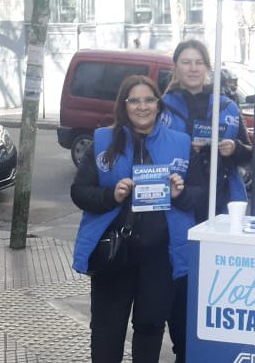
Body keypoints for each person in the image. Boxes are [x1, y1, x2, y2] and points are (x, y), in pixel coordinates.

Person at [71, 75, 197, 363]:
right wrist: (111, 196)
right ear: (124, 106)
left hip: (160, 256)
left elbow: (197, 197)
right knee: (106, 331)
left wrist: (181, 193)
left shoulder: (180, 142)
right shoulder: (103, 139)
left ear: (158, 104)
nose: (142, 107)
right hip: (115, 253)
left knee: (151, 327)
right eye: (134, 100)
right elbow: (79, 192)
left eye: (149, 100)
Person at [160, 39, 253, 362]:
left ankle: (217, 351)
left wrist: (233, 149)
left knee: (221, 285)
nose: (193, 68)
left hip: (221, 204)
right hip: (178, 206)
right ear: (176, 68)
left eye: (198, 62)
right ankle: (183, 352)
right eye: (186, 62)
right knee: (182, 285)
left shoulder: (226, 106)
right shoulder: (163, 106)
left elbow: (249, 153)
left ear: (207, 67)